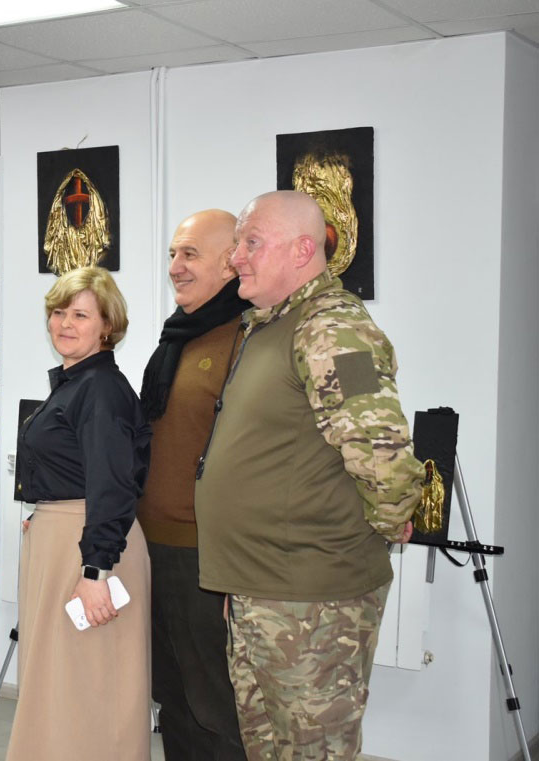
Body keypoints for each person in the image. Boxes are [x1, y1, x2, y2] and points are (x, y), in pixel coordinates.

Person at [195, 190, 424, 758]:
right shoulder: (269, 324)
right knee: (268, 747)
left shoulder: (333, 327)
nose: (236, 257)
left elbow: (380, 446)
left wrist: (390, 520)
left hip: (311, 597)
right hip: (262, 587)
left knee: (312, 750)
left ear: (302, 251)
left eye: (251, 242)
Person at [7, 265, 152, 761]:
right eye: (58, 312)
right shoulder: (76, 383)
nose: (64, 323)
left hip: (91, 550)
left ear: (107, 326)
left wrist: (95, 571)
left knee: (89, 686)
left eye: (80, 315)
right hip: (65, 539)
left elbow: (113, 482)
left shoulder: (100, 389)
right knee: (61, 683)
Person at [136, 210, 248, 759]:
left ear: (230, 263)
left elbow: (249, 463)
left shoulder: (247, 339)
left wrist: (236, 570)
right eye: (172, 254)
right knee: (173, 699)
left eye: (190, 254)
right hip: (151, 549)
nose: (176, 267)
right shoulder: (176, 336)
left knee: (217, 708)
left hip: (205, 558)